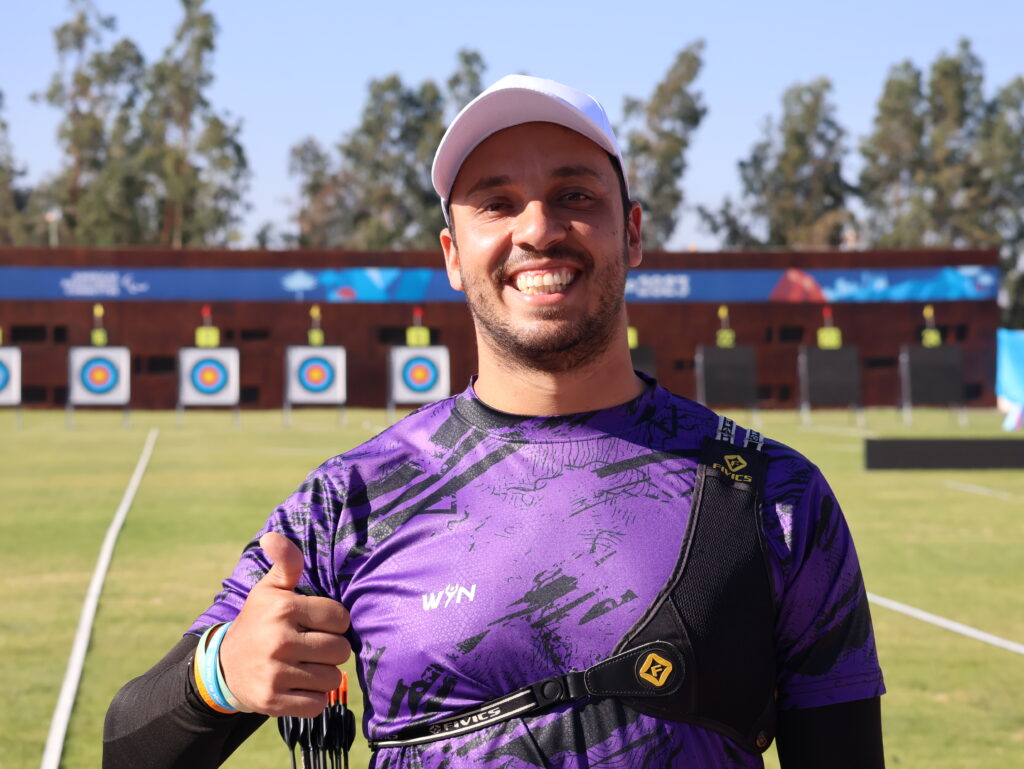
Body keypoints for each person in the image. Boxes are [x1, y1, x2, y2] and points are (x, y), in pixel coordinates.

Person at [104, 74, 885, 769]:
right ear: (453, 252)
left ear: (634, 232)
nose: (537, 229)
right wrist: (218, 676)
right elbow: (128, 745)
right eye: (496, 202)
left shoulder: (774, 497)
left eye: (576, 195)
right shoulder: (353, 501)